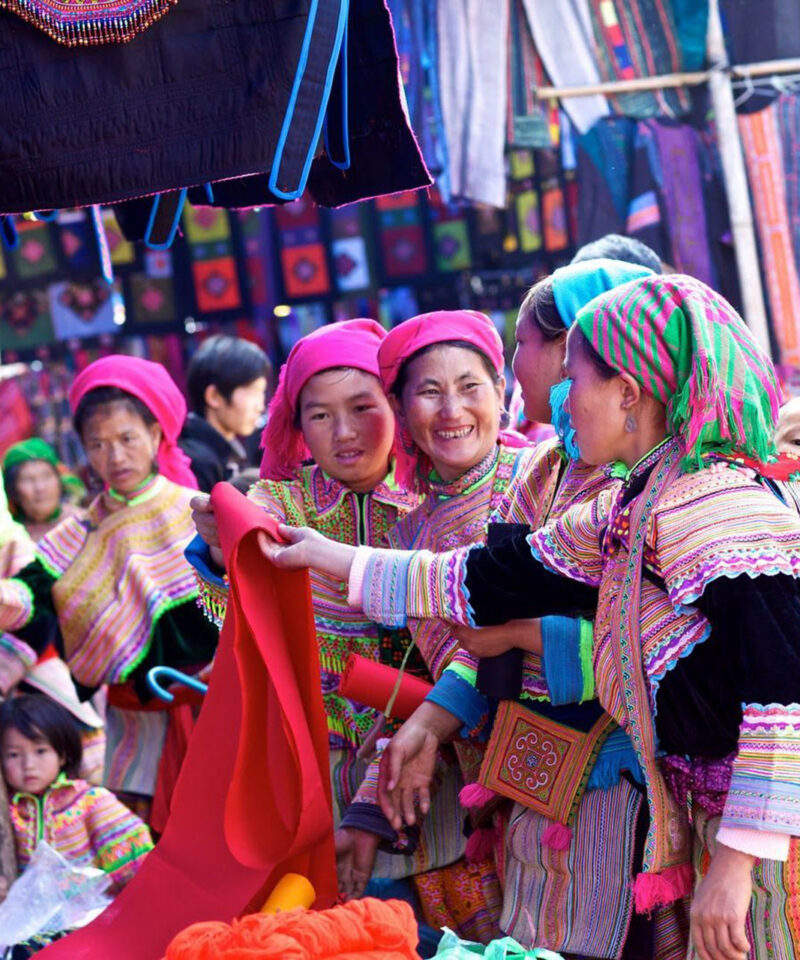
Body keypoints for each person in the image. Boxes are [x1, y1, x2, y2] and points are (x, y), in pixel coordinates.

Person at [257, 275, 800, 960]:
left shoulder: (720, 505)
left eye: (575, 378)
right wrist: (327, 555)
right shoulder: (634, 503)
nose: (560, 398)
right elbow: (486, 578)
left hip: (764, 836)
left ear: (628, 392)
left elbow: (782, 695)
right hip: (714, 820)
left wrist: (737, 860)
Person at [337, 310, 535, 943]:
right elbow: (412, 676)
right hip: (475, 786)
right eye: (429, 392)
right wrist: (371, 801)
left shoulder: (546, 481)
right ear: (400, 410)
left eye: (470, 386)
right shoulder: (407, 534)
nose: (452, 410)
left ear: (501, 392)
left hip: (576, 781)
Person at [189, 320, 421, 832]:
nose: (344, 432)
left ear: (395, 405)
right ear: (297, 425)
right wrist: (220, 541)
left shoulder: (433, 494)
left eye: (362, 407)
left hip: (424, 741)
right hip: (313, 747)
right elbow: (246, 569)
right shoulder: (282, 500)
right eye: (320, 415)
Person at [0, 356, 218, 825]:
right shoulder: (76, 534)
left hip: (216, 707)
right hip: (134, 725)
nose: (114, 457)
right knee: (143, 837)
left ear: (156, 435)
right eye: (97, 444)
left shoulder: (200, 513)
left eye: (126, 439)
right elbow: (30, 594)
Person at [0, 695, 152, 957]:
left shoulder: (90, 802)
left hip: (88, 923)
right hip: (24, 927)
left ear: (62, 753)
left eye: (40, 751)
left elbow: (136, 864)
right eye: (14, 754)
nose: (28, 765)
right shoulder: (8, 812)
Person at [180, 334, 270, 492]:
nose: (260, 406)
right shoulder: (196, 461)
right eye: (252, 392)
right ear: (214, 396)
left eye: (261, 392)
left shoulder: (227, 454)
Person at [2, 439, 86, 543]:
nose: (40, 487)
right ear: (12, 489)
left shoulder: (82, 522)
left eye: (47, 476)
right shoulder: (7, 536)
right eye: (28, 479)